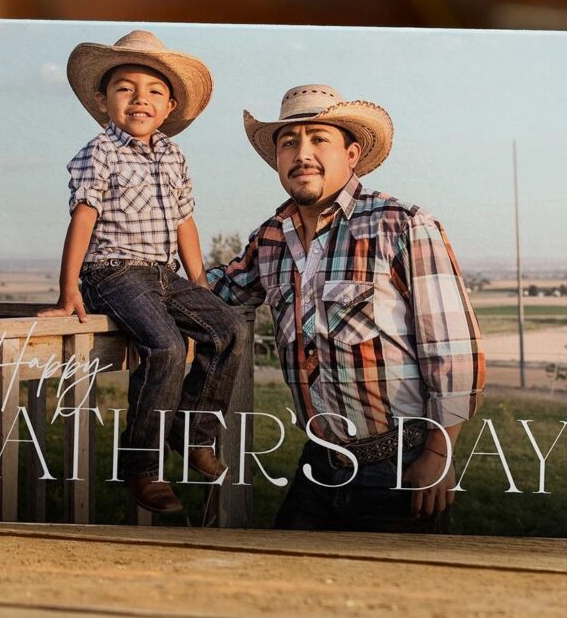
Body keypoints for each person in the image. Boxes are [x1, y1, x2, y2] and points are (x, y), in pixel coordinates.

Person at [209, 85, 486, 532]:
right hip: (320, 461)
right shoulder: (271, 240)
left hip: (401, 460)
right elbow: (217, 293)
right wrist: (126, 285)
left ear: (352, 154)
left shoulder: (401, 225)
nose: (303, 153)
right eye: (289, 142)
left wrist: (438, 454)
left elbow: (453, 351)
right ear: (277, 158)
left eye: (319, 138)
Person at [52, 29, 248, 517]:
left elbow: (185, 221)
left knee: (228, 328)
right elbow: (84, 217)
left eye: (155, 91)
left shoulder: (173, 155)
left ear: (170, 105)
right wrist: (68, 289)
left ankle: (192, 431)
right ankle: (142, 467)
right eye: (125, 88)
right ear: (103, 99)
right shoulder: (100, 151)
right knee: (164, 347)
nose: (140, 100)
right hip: (113, 271)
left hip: (164, 274)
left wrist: (200, 282)